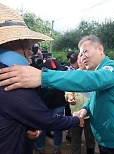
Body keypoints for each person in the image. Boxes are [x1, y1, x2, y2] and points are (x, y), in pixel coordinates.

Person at [0, 35, 114, 154]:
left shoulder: (113, 68)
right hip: (105, 138)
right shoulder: (98, 71)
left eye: (85, 51)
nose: (82, 57)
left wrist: (43, 77)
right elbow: (96, 96)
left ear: (100, 49)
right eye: (80, 54)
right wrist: (85, 109)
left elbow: (93, 81)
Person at [0, 3, 81, 154]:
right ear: (12, 42)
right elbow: (47, 119)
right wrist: (76, 119)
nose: (31, 53)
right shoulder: (11, 79)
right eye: (29, 47)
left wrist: (27, 128)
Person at [35, 58, 67, 154]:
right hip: (58, 106)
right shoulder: (62, 75)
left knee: (42, 128)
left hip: (44, 107)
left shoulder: (40, 76)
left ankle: (40, 148)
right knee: (58, 128)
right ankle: (57, 149)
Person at [65, 55, 95, 154]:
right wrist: (70, 97)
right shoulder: (73, 75)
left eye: (83, 59)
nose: (81, 61)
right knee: (75, 139)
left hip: (90, 114)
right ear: (77, 62)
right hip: (76, 113)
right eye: (79, 59)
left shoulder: (93, 74)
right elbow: (68, 91)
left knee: (90, 138)